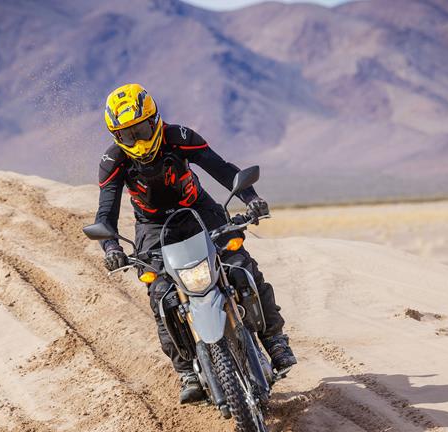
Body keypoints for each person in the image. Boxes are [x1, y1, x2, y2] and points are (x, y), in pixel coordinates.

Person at [93, 83, 296, 404]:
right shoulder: (113, 160)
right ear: (118, 137)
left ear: (155, 120)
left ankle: (275, 340)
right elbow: (106, 212)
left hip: (201, 211)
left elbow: (223, 169)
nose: (139, 140)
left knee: (241, 265)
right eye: (128, 135)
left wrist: (251, 198)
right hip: (154, 227)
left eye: (143, 129)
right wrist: (111, 248)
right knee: (160, 295)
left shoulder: (179, 138)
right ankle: (188, 371)